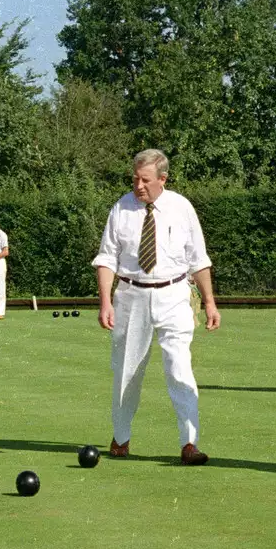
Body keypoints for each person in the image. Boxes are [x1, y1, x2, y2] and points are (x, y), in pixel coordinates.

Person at [92, 149, 221, 465]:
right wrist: (106, 301)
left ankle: (189, 443)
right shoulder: (121, 208)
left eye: (144, 180)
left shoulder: (181, 208)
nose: (138, 186)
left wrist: (209, 302)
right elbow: (107, 257)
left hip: (174, 294)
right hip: (131, 295)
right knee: (127, 371)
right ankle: (121, 438)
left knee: (179, 368)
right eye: (134, 179)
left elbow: (198, 258)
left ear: (163, 179)